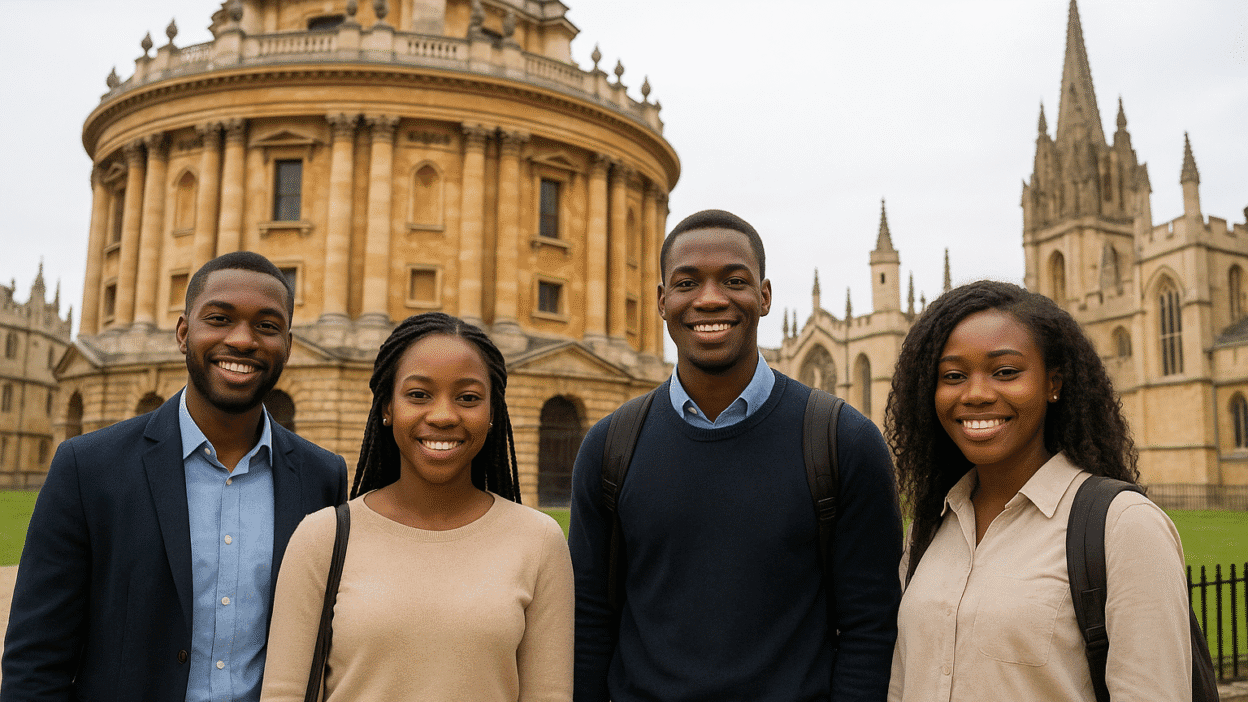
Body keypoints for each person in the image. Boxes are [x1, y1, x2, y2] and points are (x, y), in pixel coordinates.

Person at [570, 209, 904, 702]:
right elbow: (590, 623)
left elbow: (870, 628)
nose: (710, 298)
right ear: (662, 301)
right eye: (687, 283)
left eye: (733, 280)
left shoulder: (843, 442)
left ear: (764, 296)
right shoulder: (609, 447)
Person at [1, 251, 348, 702]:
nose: (242, 340)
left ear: (287, 342)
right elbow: (35, 664)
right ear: (184, 333)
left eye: (267, 325)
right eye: (220, 318)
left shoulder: (322, 476)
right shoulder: (88, 467)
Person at [884, 280, 1191, 701]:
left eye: (1005, 372)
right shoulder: (928, 531)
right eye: (953, 376)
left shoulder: (1123, 527)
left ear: (1054, 383)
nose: (975, 394)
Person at [259, 312, 573, 701]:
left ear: (493, 413)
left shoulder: (539, 541)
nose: (443, 416)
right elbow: (283, 695)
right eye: (419, 395)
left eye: (468, 398)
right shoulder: (322, 536)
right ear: (387, 407)